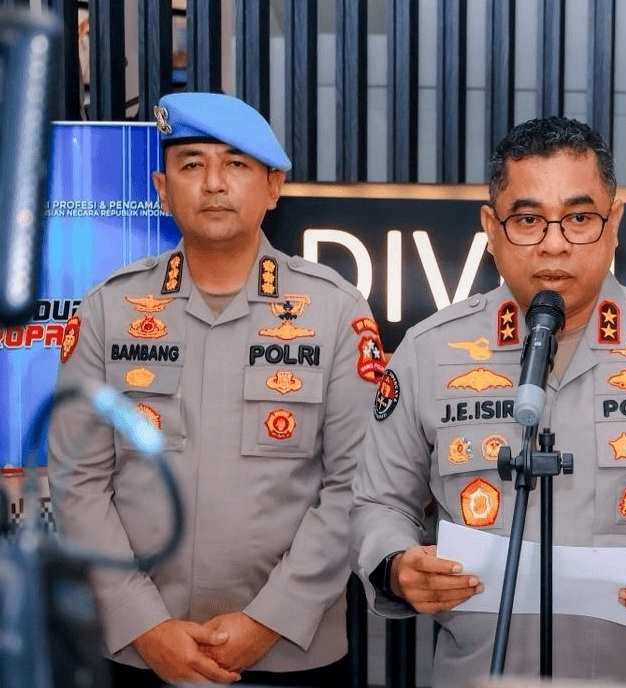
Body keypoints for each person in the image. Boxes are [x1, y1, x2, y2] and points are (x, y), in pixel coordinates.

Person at [351, 116, 626, 684]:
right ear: (491, 227)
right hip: (482, 672)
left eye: (579, 218)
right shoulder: (429, 352)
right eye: (528, 220)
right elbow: (377, 502)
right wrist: (397, 565)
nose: (554, 243)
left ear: (614, 222)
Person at [48, 92, 380, 686]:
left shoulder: (335, 310)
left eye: (236, 164)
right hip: (139, 653)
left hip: (292, 652)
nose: (214, 183)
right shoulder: (108, 310)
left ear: (273, 188)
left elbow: (355, 486)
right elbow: (79, 483)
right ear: (161, 187)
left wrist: (268, 621)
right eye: (192, 164)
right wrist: (145, 624)